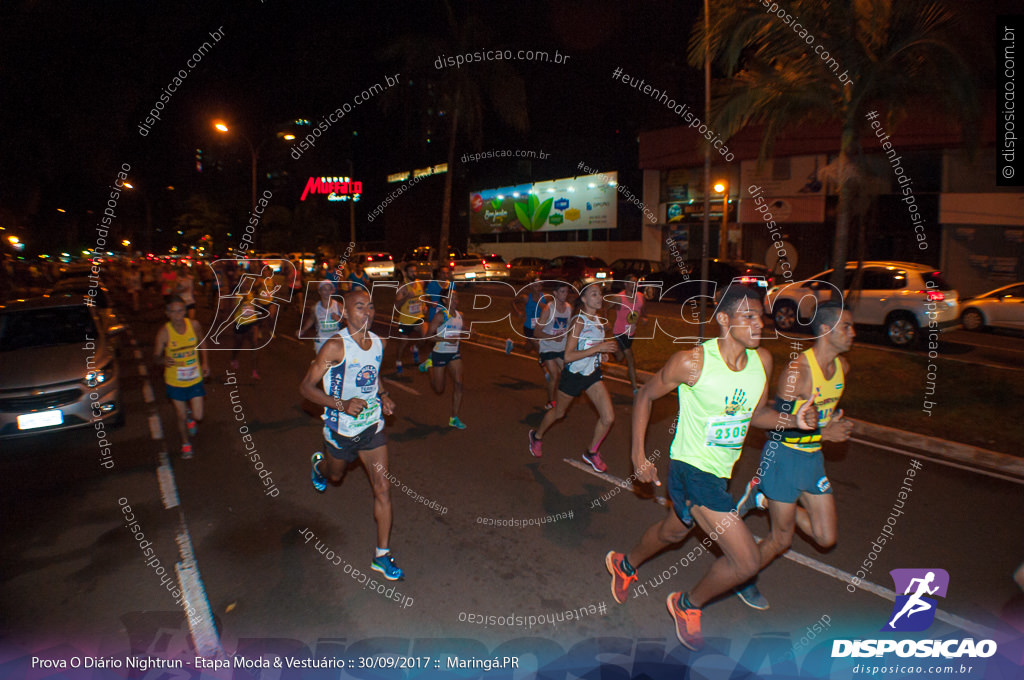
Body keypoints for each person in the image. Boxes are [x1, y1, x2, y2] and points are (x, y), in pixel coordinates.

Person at [603, 286, 816, 650]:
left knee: (674, 531)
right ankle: (686, 605)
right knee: (746, 560)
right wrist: (638, 457)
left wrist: (793, 420)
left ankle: (624, 564)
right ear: (723, 320)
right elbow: (645, 396)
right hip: (690, 468)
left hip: (720, 472)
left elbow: (757, 414)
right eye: (748, 316)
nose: (759, 323)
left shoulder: (762, 360)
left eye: (760, 316)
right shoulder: (692, 363)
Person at [732, 302, 854, 609]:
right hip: (783, 459)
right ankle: (743, 579)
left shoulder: (843, 368)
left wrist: (830, 423)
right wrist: (824, 433)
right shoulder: (796, 374)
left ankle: (762, 499)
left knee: (826, 537)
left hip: (812, 460)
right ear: (825, 331)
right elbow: (770, 426)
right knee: (780, 540)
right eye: (846, 327)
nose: (853, 333)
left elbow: (819, 417)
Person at [299, 287, 403, 581]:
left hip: (371, 428)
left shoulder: (378, 342)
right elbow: (305, 388)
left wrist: (383, 395)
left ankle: (381, 555)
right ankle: (318, 466)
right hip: (340, 430)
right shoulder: (335, 346)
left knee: (382, 488)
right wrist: (341, 404)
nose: (367, 313)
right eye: (360, 307)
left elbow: (373, 373)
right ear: (344, 313)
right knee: (335, 476)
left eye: (370, 307)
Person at [528, 283, 618, 471]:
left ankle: (591, 452)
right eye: (594, 294)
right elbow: (568, 356)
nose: (599, 297)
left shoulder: (599, 320)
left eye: (600, 294)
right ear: (584, 299)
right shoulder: (578, 321)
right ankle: (536, 436)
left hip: (592, 373)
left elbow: (592, 345)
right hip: (573, 375)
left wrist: (601, 354)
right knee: (559, 413)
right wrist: (598, 348)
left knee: (608, 417)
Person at [154, 296, 210, 459]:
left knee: (198, 416)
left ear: (185, 311)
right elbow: (155, 357)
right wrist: (163, 359)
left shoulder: (194, 325)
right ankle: (185, 443)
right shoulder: (164, 332)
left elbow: (203, 342)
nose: (177, 315)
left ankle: (191, 418)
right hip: (175, 381)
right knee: (180, 416)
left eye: (180, 311)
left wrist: (205, 363)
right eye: (173, 312)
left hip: (194, 378)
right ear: (168, 313)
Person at [420, 286, 467, 428]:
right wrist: (445, 339)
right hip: (440, 353)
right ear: (445, 300)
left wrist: (469, 331)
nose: (455, 300)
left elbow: (460, 328)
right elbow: (429, 336)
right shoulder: (440, 316)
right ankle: (429, 365)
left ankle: (454, 418)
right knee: (439, 389)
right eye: (452, 298)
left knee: (459, 383)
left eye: (457, 298)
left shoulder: (460, 315)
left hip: (454, 353)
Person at [534, 281, 573, 409]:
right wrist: (553, 337)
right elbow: (537, 332)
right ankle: (550, 402)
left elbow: (571, 327)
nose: (565, 294)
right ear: (555, 293)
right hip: (548, 346)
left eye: (566, 291)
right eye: (562, 291)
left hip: (561, 347)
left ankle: (562, 400)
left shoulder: (569, 308)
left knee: (567, 375)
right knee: (554, 374)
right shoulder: (548, 309)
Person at [611, 275, 649, 394]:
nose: (634, 284)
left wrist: (644, 318)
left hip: (631, 332)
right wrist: (606, 321)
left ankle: (611, 348)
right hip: (619, 332)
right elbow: (606, 308)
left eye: (635, 282)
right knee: (630, 358)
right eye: (631, 282)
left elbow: (643, 311)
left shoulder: (641, 297)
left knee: (620, 357)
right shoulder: (619, 298)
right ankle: (635, 388)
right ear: (625, 284)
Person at [393, 264, 427, 375]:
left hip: (418, 316)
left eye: (415, 271)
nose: (414, 273)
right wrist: (407, 297)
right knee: (403, 343)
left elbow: (422, 296)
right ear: (406, 273)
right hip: (406, 320)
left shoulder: (420, 283)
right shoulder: (402, 287)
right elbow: (396, 305)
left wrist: (424, 305)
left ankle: (415, 348)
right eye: (411, 271)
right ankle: (398, 361)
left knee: (426, 335)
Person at [298, 281, 343, 354]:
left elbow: (349, 321)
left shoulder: (338, 306)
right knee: (322, 363)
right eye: (324, 289)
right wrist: (303, 330)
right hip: (321, 342)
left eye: (329, 289)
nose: (327, 292)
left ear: (332, 291)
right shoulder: (315, 307)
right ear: (319, 291)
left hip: (335, 341)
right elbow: (311, 319)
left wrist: (340, 319)